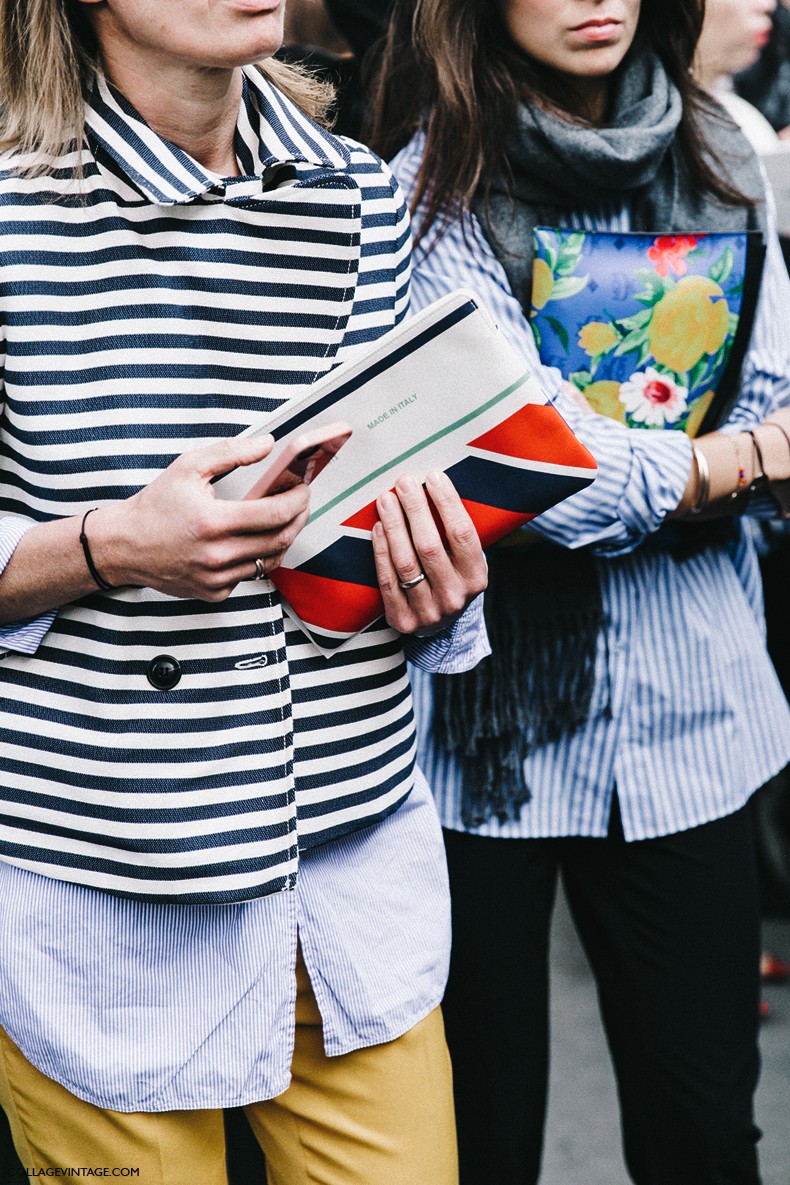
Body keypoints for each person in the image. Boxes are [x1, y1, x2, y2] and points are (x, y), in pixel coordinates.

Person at [0, 2, 490, 1181]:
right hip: (102, 875)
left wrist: (434, 576)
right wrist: (107, 547)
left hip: (343, 860)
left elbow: (371, 490)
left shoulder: (356, 193)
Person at [370, 1, 790, 1182]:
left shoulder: (724, 143)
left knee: (707, 1133)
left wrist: (691, 464)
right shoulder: (426, 186)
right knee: (483, 1136)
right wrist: (725, 467)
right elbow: (525, 465)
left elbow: (770, 387)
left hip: (695, 715)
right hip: (480, 739)